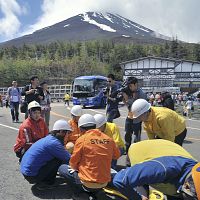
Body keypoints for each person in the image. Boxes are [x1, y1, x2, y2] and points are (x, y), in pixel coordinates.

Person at [58, 114, 120, 199]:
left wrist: (77, 167)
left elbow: (73, 162)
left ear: (81, 129)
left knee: (62, 168)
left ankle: (80, 193)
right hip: (104, 181)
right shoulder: (109, 139)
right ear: (95, 126)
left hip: (88, 183)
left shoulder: (82, 139)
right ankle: (97, 192)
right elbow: (116, 156)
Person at [113, 139, 200, 200]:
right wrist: (138, 198)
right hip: (141, 152)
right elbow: (120, 180)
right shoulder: (162, 169)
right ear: (187, 186)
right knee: (140, 188)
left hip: (168, 150)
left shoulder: (196, 171)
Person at [20, 119, 72, 190]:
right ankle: (45, 183)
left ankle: (46, 178)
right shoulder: (54, 143)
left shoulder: (50, 138)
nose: (68, 135)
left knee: (56, 158)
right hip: (31, 175)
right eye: (68, 133)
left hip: (26, 171)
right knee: (58, 160)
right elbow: (69, 159)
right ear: (61, 132)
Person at [122, 77, 147, 165]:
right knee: (127, 135)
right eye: (128, 86)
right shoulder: (128, 92)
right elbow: (128, 106)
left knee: (137, 137)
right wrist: (124, 99)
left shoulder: (141, 94)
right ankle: (128, 153)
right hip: (129, 117)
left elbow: (138, 106)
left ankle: (136, 155)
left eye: (131, 86)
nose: (129, 87)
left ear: (136, 84)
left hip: (137, 119)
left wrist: (128, 99)